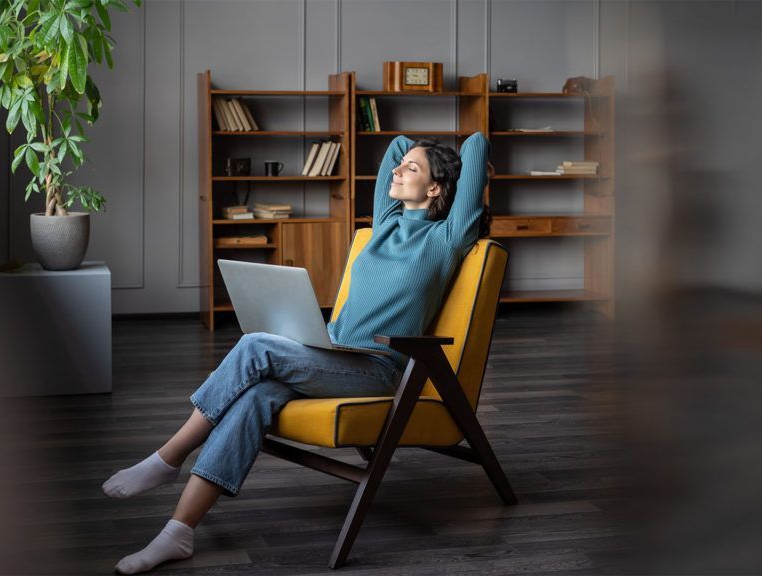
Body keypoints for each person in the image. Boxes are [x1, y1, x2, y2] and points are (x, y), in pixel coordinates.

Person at [102, 132, 491, 574]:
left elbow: (477, 144)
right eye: (402, 168)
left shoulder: (446, 239)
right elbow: (396, 146)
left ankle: (168, 457)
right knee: (256, 396)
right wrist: (416, 155)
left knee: (254, 344)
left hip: (377, 370)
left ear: (436, 189)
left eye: (413, 170)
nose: (399, 171)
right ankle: (178, 532)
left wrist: (438, 156)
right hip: (332, 354)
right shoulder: (385, 224)